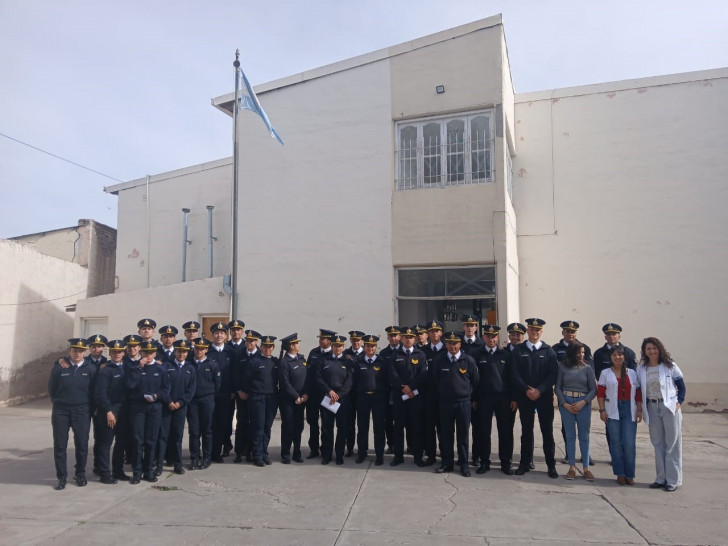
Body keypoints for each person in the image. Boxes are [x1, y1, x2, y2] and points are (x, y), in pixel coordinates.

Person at [510, 318, 559, 478]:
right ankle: (524, 463)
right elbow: (514, 373)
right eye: (531, 329)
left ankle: (551, 465)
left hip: (544, 397)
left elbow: (553, 374)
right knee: (526, 431)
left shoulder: (548, 351)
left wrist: (540, 390)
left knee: (547, 431)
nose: (534, 332)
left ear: (541, 332)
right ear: (528, 331)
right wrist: (526, 389)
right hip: (525, 396)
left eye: (537, 330)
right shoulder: (519, 350)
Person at [636, 337, 686, 492]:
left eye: (654, 348)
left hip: (669, 407)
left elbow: (681, 387)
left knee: (672, 444)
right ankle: (660, 478)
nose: (652, 351)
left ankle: (673, 480)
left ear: (660, 349)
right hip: (652, 407)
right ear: (644, 351)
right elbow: (638, 389)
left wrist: (678, 402)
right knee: (658, 444)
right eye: (648, 349)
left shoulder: (670, 366)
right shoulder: (642, 368)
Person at [49, 338, 97, 490]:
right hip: (61, 410)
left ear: (85, 352)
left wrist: (89, 407)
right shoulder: (59, 367)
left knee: (82, 444)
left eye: (81, 350)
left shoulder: (90, 368)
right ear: (69, 350)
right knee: (60, 445)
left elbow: (94, 390)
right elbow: (52, 388)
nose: (77, 353)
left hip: (82, 410)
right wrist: (59, 402)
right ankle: (61, 477)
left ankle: (80, 473)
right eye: (75, 350)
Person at [435, 331, 479, 477]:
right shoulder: (439, 360)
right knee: (446, 434)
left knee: (463, 435)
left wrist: (469, 396)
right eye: (449, 343)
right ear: (446, 344)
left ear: (460, 344)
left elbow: (475, 381)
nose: (452, 346)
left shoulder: (468, 360)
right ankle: (447, 463)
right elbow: (434, 380)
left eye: (455, 343)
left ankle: (464, 464)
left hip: (463, 403)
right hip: (445, 403)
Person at [597, 345, 642, 485]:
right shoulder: (605, 373)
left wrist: (639, 409)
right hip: (612, 410)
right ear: (610, 358)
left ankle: (630, 474)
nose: (617, 357)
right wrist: (602, 410)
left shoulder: (633, 373)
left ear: (624, 357)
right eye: (614, 355)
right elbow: (600, 393)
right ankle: (620, 473)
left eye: (620, 355)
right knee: (615, 444)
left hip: (629, 409)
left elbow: (638, 393)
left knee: (629, 443)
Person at [473, 325, 515, 475]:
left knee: (505, 431)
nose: (491, 339)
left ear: (498, 338)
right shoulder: (478, 355)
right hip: (484, 398)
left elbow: (512, 378)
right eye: (488, 336)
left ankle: (506, 462)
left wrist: (514, 398)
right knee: (484, 431)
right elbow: (474, 379)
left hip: (503, 398)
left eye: (494, 336)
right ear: (484, 337)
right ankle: (484, 462)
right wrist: (474, 398)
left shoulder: (505, 355)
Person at [126, 340, 170, 484]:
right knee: (138, 440)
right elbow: (130, 385)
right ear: (141, 352)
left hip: (154, 407)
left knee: (151, 440)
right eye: (145, 352)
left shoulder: (160, 369)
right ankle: (137, 472)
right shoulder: (135, 367)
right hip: (138, 407)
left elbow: (165, 389)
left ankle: (148, 471)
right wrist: (139, 367)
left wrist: (157, 396)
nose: (148, 355)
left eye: (150, 353)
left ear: (155, 354)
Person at [553, 321, 593, 466]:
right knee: (567, 429)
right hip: (565, 396)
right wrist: (563, 401)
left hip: (583, 398)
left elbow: (590, 371)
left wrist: (585, 400)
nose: (570, 334)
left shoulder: (585, 348)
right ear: (562, 332)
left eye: (573, 331)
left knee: (584, 431)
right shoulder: (556, 349)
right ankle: (569, 456)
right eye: (567, 331)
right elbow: (554, 373)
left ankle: (585, 456)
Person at [555, 341, 596, 481]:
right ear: (572, 353)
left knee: (584, 436)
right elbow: (558, 387)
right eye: (578, 352)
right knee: (570, 436)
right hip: (567, 404)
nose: (581, 355)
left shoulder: (587, 368)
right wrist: (564, 404)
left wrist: (584, 402)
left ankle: (586, 468)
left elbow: (593, 389)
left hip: (583, 403)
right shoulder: (562, 367)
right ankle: (572, 467)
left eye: (583, 352)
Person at [388, 326, 428, 467]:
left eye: (411, 337)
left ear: (415, 339)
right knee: (398, 428)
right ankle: (398, 457)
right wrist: (403, 388)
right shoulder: (395, 355)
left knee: (416, 427)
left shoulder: (420, 354)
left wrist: (411, 388)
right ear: (401, 338)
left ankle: (417, 457)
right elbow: (392, 374)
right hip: (400, 397)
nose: (409, 339)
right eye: (406, 337)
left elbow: (423, 374)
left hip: (415, 397)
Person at [156, 339, 196, 476]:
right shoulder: (166, 366)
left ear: (187, 353)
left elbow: (191, 390)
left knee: (177, 437)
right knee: (163, 436)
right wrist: (168, 401)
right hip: (166, 406)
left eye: (184, 352)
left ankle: (177, 464)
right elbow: (162, 386)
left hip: (180, 407)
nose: (181, 354)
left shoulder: (190, 368)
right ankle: (159, 465)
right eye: (179, 351)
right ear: (175, 351)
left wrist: (180, 403)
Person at [93, 339, 128, 484]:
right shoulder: (105, 369)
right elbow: (100, 394)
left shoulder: (127, 367)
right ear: (110, 353)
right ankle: (104, 473)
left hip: (124, 410)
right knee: (105, 442)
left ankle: (118, 471)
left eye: (119, 351)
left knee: (121, 442)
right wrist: (108, 411)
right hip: (109, 410)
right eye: (114, 351)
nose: (117, 354)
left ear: (124, 353)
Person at [241, 335, 279, 467]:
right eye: (265, 346)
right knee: (258, 427)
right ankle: (257, 455)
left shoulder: (275, 362)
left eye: (270, 346)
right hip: (257, 397)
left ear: (273, 348)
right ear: (260, 347)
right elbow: (245, 380)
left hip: (272, 398)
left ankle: (264, 453)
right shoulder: (254, 361)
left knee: (267, 427)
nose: (267, 349)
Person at [316, 334, 353, 465]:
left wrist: (339, 395)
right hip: (327, 398)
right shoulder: (323, 360)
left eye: (340, 346)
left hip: (342, 400)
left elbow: (349, 381)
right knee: (326, 428)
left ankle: (339, 455)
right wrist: (330, 391)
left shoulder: (348, 362)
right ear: (332, 346)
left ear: (344, 347)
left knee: (342, 428)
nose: (338, 348)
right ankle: (326, 455)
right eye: (336, 345)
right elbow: (318, 378)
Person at [353, 334, 389, 465]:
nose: (370, 348)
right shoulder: (359, 362)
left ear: (376, 347)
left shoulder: (382, 362)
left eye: (373, 346)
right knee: (362, 427)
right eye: (368, 346)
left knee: (379, 427)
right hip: (363, 398)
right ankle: (362, 453)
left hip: (378, 398)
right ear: (364, 346)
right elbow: (355, 381)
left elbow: (387, 381)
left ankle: (379, 455)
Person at [187, 337, 220, 470]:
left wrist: (210, 396)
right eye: (197, 348)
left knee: (207, 430)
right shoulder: (189, 364)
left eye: (202, 349)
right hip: (192, 401)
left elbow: (217, 384)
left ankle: (207, 457)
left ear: (206, 350)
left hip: (207, 400)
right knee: (194, 431)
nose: (199, 351)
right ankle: (194, 458)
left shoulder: (212, 364)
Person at [305, 329, 336, 459]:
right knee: (312, 423)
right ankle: (314, 449)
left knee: (327, 424)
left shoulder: (334, 354)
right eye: (320, 338)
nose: (320, 340)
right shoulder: (313, 352)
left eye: (322, 338)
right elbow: (307, 373)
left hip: (327, 395)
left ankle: (326, 451)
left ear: (329, 341)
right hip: (313, 394)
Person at [277, 333, 308, 464]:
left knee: (298, 427)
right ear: (291, 346)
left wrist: (305, 394)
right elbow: (284, 383)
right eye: (296, 343)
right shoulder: (284, 362)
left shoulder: (301, 359)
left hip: (301, 400)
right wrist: (296, 396)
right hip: (288, 400)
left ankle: (297, 452)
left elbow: (307, 378)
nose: (298, 345)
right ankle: (285, 453)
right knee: (288, 427)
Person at [208, 322, 234, 463]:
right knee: (208, 425)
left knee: (221, 424)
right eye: (217, 333)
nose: (219, 335)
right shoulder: (207, 351)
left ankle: (216, 453)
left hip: (225, 394)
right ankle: (207, 453)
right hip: (209, 395)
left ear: (226, 335)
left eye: (222, 333)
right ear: (212, 335)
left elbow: (234, 373)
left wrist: (233, 391)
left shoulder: (230, 352)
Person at [422, 320, 446, 466]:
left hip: (444, 395)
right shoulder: (423, 352)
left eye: (436, 331)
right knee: (429, 427)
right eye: (431, 331)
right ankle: (431, 456)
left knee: (444, 428)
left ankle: (445, 455)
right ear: (428, 334)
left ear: (441, 333)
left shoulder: (448, 349)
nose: (434, 333)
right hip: (428, 395)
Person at [380, 326, 402, 454]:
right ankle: (391, 444)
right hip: (387, 391)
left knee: (403, 420)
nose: (393, 338)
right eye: (391, 335)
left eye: (396, 335)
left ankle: (408, 445)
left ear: (399, 337)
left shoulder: (404, 351)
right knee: (388, 420)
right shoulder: (383, 353)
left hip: (401, 390)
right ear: (388, 337)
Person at [344, 330, 365, 457]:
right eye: (353, 340)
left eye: (358, 340)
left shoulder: (367, 352)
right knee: (349, 422)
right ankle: (350, 447)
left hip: (362, 393)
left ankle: (363, 448)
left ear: (361, 341)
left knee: (362, 423)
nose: (356, 342)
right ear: (350, 341)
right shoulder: (346, 353)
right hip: (349, 393)